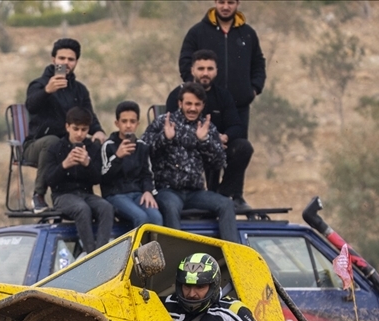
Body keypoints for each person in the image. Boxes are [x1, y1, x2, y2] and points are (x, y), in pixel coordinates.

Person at [143, 83, 238, 243]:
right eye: (188, 103)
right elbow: (143, 150)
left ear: (203, 105)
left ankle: (235, 256)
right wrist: (165, 139)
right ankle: (178, 257)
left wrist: (205, 141)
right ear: (180, 103)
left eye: (197, 104)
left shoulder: (207, 128)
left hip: (196, 193)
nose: (192, 108)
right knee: (170, 208)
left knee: (226, 204)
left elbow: (219, 162)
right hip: (168, 191)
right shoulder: (163, 122)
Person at [23, 38, 106, 213]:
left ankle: (98, 196)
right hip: (38, 145)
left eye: (70, 59)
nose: (66, 63)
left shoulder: (80, 90)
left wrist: (98, 131)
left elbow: (88, 116)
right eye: (61, 59)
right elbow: (30, 105)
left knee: (98, 144)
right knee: (52, 142)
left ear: (76, 62)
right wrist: (47, 91)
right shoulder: (39, 84)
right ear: (53, 59)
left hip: (66, 144)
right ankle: (38, 196)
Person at [166, 49, 254, 210]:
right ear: (192, 70)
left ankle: (222, 194)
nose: (205, 73)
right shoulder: (177, 95)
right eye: (201, 69)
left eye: (209, 69)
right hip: (187, 151)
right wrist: (205, 140)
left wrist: (224, 137)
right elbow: (172, 127)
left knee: (243, 147)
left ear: (216, 71)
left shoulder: (223, 96)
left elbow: (237, 125)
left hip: (218, 147)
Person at [178, 0, 266, 138]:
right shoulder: (197, 32)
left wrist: (253, 89)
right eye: (221, 2)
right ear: (215, 2)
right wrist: (195, 89)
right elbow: (185, 62)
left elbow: (258, 63)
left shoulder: (248, 33)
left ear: (238, 3)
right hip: (204, 106)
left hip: (239, 107)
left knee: (240, 150)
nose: (225, 7)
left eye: (230, 2)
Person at [164, 252, 268, 321]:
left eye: (199, 287)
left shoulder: (233, 308)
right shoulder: (166, 303)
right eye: (187, 286)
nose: (191, 294)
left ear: (214, 285)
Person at [45, 107, 114, 255]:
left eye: (84, 130)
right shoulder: (55, 148)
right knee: (82, 209)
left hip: (86, 194)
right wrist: (65, 165)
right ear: (67, 127)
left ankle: (101, 252)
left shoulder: (93, 148)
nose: (79, 134)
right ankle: (91, 254)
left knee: (106, 208)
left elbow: (97, 179)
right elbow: (49, 180)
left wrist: (88, 164)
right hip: (62, 196)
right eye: (75, 129)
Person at [100, 101, 163, 229]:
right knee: (141, 217)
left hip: (137, 193)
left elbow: (147, 173)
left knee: (156, 217)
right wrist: (118, 157)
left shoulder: (142, 146)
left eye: (132, 122)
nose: (128, 125)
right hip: (115, 195)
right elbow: (103, 177)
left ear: (137, 124)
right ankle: (139, 250)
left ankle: (154, 249)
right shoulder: (108, 146)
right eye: (124, 121)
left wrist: (147, 191)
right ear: (117, 123)